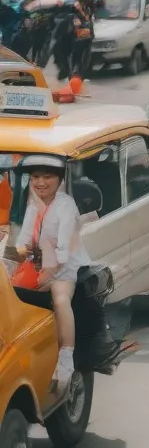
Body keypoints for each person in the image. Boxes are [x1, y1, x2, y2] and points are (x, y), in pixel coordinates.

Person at [14, 155, 91, 394]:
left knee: (60, 299)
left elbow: (64, 250)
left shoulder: (66, 205)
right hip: (39, 267)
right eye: (36, 177)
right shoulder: (32, 205)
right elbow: (23, 242)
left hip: (65, 268)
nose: (41, 182)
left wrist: (47, 274)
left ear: (59, 180)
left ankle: (66, 358)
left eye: (47, 176)